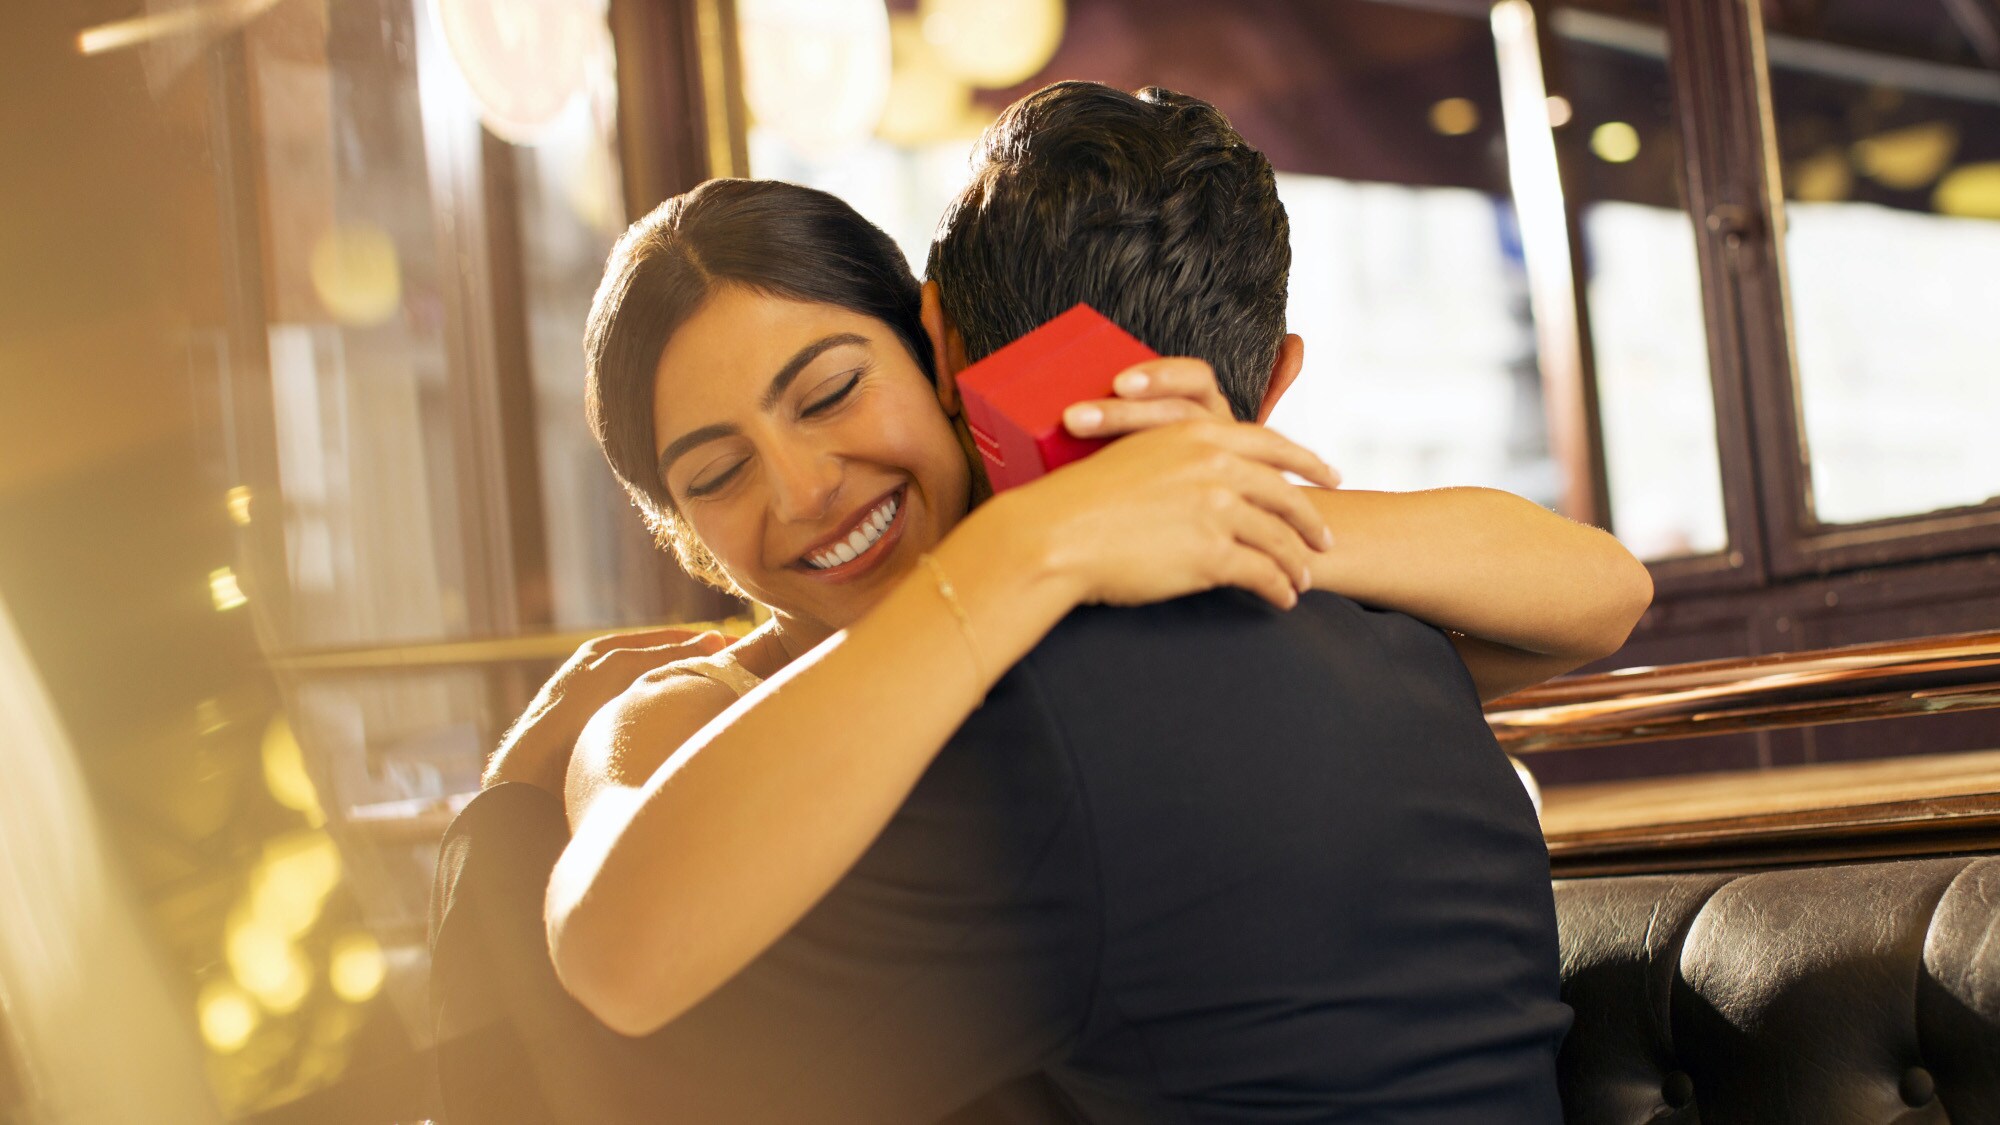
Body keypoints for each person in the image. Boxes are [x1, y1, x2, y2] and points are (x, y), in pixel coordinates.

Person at [435, 82, 1651, 1123]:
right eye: (713, 473)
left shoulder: (1058, 698)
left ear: (931, 345)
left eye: (830, 393)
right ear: (678, 530)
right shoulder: (1318, 632)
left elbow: (612, 983)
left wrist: (605, 745)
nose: (802, 489)